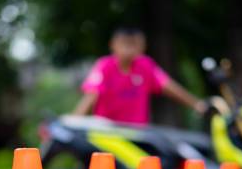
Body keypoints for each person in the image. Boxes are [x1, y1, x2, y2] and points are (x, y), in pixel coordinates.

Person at [74, 27, 206, 126]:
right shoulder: (104, 66)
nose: (129, 49)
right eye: (125, 44)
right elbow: (92, 94)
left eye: (134, 44)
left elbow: (169, 86)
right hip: (108, 131)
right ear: (113, 45)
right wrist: (75, 121)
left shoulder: (145, 65)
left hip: (137, 132)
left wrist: (197, 104)